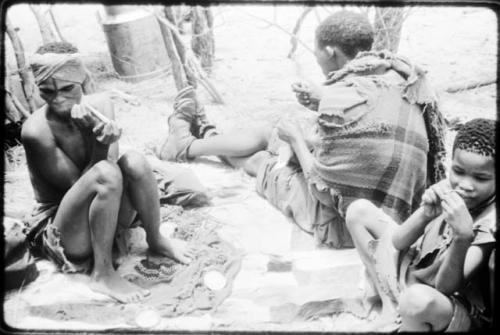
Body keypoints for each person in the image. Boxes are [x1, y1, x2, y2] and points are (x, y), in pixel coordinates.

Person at [158, 11, 446, 249]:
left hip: (355, 224)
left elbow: (322, 189)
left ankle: (187, 144)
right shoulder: (397, 75)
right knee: (269, 133)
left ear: (331, 51)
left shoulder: (340, 102)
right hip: (401, 210)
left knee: (263, 162)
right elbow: (365, 131)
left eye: (317, 51)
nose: (317, 58)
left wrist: (297, 140)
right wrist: (317, 105)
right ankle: (201, 138)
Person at [21, 51, 194, 303]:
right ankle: (102, 273)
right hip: (66, 228)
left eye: (68, 88)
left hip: (104, 213)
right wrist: (97, 142)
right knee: (105, 173)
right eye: (46, 91)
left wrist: (103, 144)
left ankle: (155, 238)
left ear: (83, 81)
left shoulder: (101, 104)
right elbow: (84, 185)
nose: (57, 99)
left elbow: (112, 166)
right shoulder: (36, 131)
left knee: (134, 160)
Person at [345, 118, 496, 331]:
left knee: (416, 301)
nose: (466, 184)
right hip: (417, 272)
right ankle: (390, 305)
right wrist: (425, 214)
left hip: (446, 303)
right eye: (459, 171)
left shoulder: (489, 222)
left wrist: (463, 237)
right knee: (358, 211)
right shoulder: (449, 187)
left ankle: (406, 316)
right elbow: (398, 241)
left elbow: (444, 287)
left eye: (480, 178)